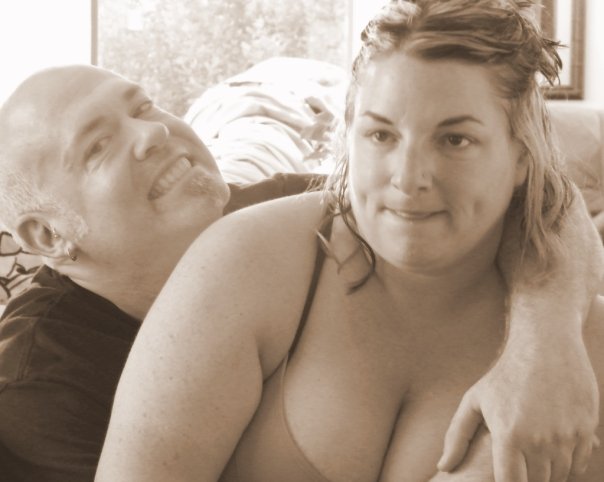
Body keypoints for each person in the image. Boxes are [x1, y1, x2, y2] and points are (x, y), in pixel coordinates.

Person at [95, 1, 604, 481]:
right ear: (348, 133)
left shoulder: (580, 353)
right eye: (381, 135)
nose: (408, 177)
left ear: (522, 157)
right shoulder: (247, 263)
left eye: (455, 140)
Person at [0, 64, 319, 482]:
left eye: (143, 107)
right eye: (98, 147)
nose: (153, 132)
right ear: (47, 236)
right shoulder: (43, 390)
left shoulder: (297, 212)